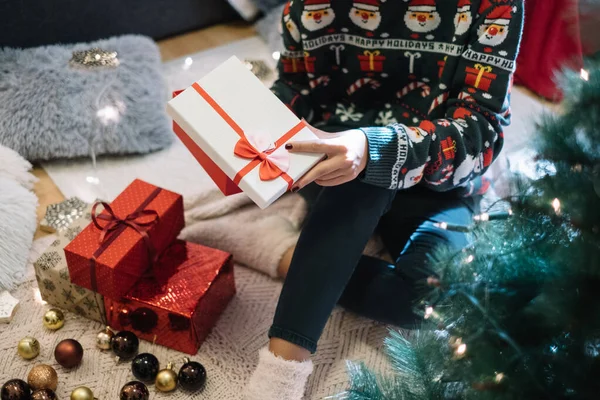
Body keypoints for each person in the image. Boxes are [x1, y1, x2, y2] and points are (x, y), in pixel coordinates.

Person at [243, 0, 524, 398]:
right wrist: (249, 123)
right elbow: (299, 87)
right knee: (358, 167)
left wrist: (375, 148)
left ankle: (287, 253)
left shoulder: (492, 5)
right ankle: (281, 373)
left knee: (436, 295)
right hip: (334, 160)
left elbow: (480, 129)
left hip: (440, 176)